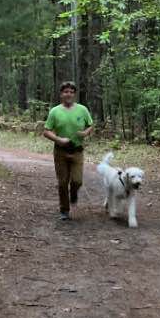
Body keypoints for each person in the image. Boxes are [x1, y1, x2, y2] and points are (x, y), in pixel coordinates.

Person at [43, 81, 94, 220]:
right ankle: (64, 210)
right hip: (61, 151)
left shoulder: (82, 110)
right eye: (66, 91)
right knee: (62, 182)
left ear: (74, 94)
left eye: (71, 92)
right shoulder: (55, 111)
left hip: (77, 150)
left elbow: (90, 125)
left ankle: (74, 194)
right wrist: (59, 139)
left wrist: (85, 133)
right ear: (61, 94)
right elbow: (46, 131)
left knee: (77, 181)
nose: (69, 94)